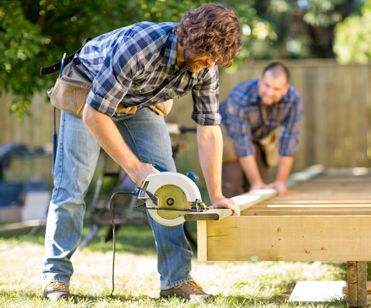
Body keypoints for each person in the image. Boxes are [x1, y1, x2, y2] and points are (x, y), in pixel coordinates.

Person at [42, 3, 241, 301]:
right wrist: (135, 168)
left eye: (215, 60)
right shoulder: (141, 46)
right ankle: (55, 278)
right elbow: (95, 114)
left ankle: (176, 280)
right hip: (88, 94)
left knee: (168, 189)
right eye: (205, 57)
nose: (208, 65)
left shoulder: (207, 66)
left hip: (137, 103)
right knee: (72, 186)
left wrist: (217, 195)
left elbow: (209, 128)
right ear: (190, 39)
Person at [220, 62, 303, 198]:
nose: (270, 93)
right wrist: (256, 181)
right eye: (267, 85)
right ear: (260, 81)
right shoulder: (240, 95)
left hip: (258, 136)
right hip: (228, 135)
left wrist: (280, 181)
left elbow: (290, 140)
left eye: (276, 89)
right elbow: (242, 143)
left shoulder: (293, 99)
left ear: (285, 89)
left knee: (260, 190)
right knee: (233, 184)